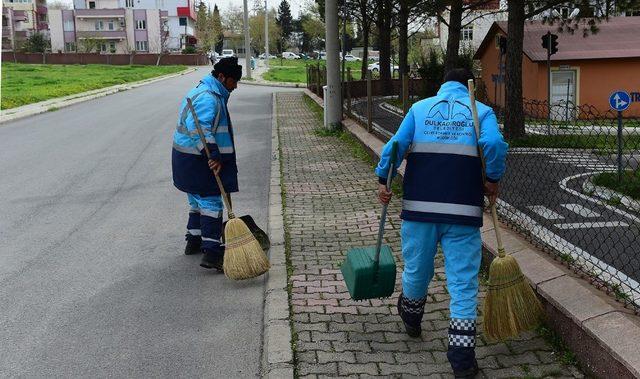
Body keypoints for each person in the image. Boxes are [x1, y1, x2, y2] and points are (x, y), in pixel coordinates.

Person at [375, 68, 508, 378]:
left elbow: (395, 146)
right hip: (463, 212)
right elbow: (495, 146)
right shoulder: (481, 112)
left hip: (419, 210)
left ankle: (411, 314)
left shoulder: (420, 109)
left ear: (442, 86)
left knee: (417, 268)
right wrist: (492, 180)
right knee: (463, 282)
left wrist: (384, 178)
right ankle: (461, 356)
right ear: (467, 87)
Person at [172, 57, 242, 271]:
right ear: (221, 77)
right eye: (233, 81)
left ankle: (193, 240)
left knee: (196, 200)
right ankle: (212, 253)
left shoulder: (209, 91)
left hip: (188, 158)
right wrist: (212, 155)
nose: (235, 86)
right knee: (211, 203)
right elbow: (199, 129)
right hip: (198, 160)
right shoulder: (208, 98)